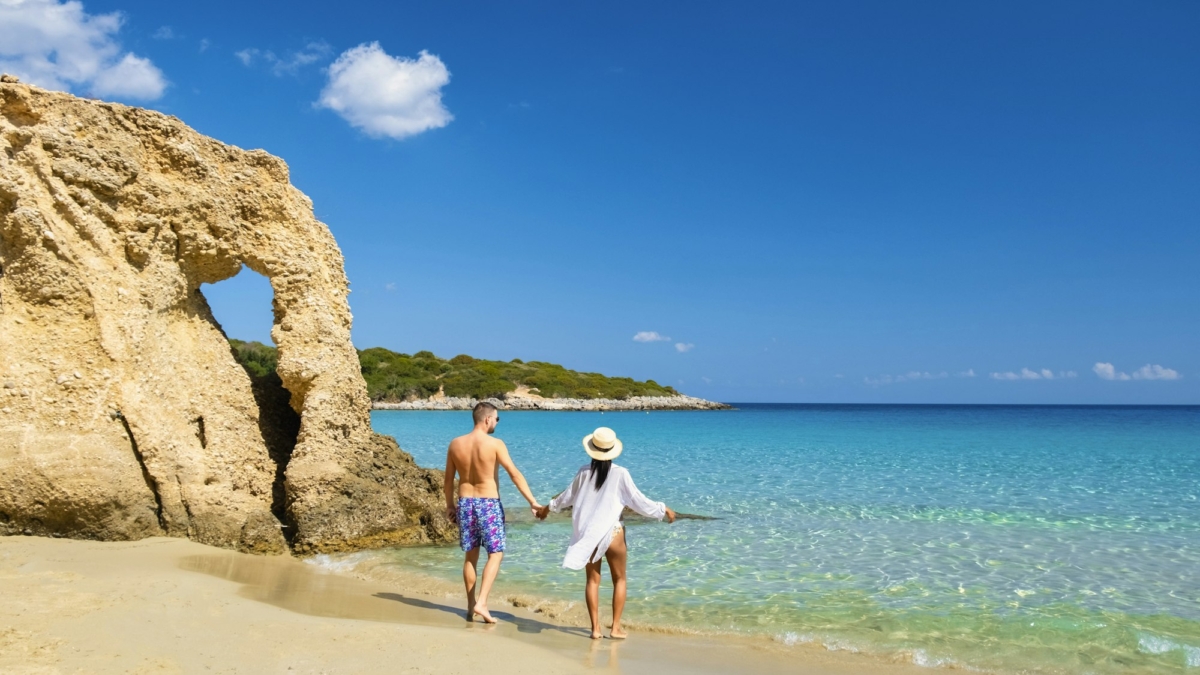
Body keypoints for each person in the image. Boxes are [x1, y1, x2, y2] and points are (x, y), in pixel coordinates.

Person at [535, 426, 676, 639]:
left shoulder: (583, 472)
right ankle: (616, 628)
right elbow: (639, 501)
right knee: (619, 579)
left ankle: (596, 629)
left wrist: (547, 508)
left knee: (593, 581)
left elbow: (566, 497)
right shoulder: (621, 473)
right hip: (614, 534)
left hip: (589, 535)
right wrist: (662, 509)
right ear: (612, 450)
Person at [444, 402, 542, 623]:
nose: (497, 422)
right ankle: (482, 603)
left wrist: (450, 506)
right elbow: (514, 474)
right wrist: (532, 502)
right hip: (488, 504)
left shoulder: (455, 444)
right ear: (488, 419)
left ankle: (470, 608)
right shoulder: (495, 444)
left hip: (465, 503)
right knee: (495, 553)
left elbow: (448, 481)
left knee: (470, 556)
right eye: (497, 418)